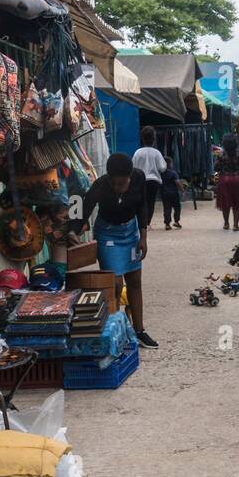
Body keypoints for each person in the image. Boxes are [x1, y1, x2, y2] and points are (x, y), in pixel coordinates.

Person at [77, 153, 158, 350]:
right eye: (114, 183)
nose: (117, 188)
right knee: (114, 284)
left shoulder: (139, 178)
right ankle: (116, 332)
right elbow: (83, 207)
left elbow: (142, 206)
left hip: (130, 233)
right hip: (108, 235)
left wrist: (143, 237)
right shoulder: (101, 185)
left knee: (135, 281)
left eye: (121, 184)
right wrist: (73, 229)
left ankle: (139, 331)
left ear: (130, 177)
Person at [132, 126, 166, 231]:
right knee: (151, 203)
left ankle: (140, 223)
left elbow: (133, 167)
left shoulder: (138, 152)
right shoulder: (157, 153)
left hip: (141, 181)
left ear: (142, 138)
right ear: (154, 139)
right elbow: (162, 168)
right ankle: (147, 224)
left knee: (141, 202)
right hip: (154, 182)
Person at [159, 155, 183, 229]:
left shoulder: (160, 173)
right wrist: (182, 190)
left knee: (167, 208)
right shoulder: (173, 173)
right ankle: (176, 221)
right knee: (177, 207)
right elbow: (177, 182)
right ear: (169, 164)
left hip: (164, 193)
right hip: (173, 193)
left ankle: (167, 224)